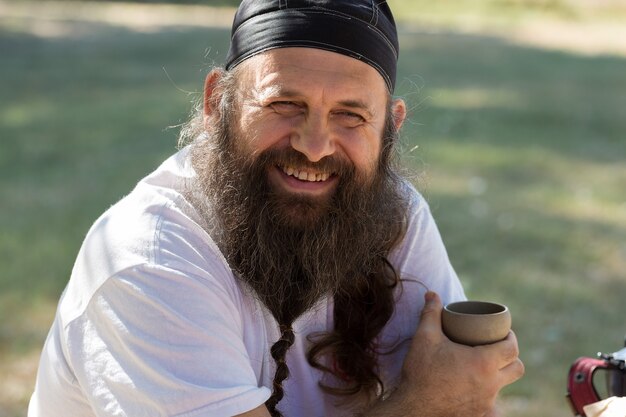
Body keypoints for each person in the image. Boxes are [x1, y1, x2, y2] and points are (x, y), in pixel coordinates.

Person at [28, 1, 524, 416]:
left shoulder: (393, 216)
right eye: (283, 104)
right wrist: (424, 402)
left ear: (390, 128)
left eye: (350, 115)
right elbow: (447, 396)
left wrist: (454, 392)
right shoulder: (148, 259)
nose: (313, 146)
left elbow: (468, 393)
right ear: (215, 101)